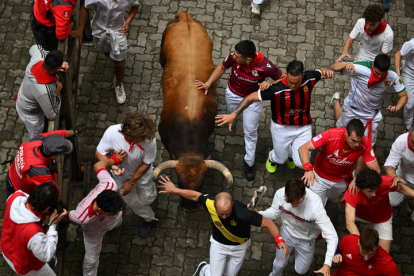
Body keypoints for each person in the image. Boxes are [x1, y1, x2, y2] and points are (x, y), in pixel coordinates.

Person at [216, 60, 333, 173]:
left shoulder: (309, 77)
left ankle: (291, 153)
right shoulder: (276, 89)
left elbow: (320, 71)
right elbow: (250, 97)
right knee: (281, 159)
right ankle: (272, 156)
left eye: (296, 82)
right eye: (290, 81)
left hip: (303, 127)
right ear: (286, 74)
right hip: (281, 128)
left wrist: (326, 71)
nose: (293, 85)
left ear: (302, 75)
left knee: (301, 163)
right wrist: (234, 114)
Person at [157, 176, 287, 276]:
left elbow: (269, 223)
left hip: (239, 247)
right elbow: (195, 195)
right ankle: (204, 270)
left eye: (227, 213)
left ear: (232, 204)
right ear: (214, 206)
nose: (224, 216)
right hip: (219, 245)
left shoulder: (243, 213)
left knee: (230, 275)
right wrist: (175, 190)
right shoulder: (209, 202)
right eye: (221, 214)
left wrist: (279, 239)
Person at [195, 40, 283, 181]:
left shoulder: (266, 67)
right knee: (231, 112)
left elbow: (283, 78)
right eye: (234, 54)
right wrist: (207, 83)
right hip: (232, 93)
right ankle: (233, 119)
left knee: (250, 132)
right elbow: (222, 68)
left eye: (237, 56)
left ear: (248, 59)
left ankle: (249, 163)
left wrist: (270, 84)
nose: (233, 57)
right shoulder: (232, 56)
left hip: (253, 100)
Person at [258, 179, 338, 276]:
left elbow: (332, 236)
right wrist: (257, 214)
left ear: (304, 193)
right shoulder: (280, 193)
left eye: (296, 203)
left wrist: (327, 264)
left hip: (306, 240)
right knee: (279, 264)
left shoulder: (315, 207)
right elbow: (274, 213)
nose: (292, 206)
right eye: (289, 202)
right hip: (286, 234)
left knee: (301, 270)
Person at [96, 113, 157, 238]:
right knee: (134, 203)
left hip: (143, 174)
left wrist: (132, 182)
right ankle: (149, 219)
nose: (146, 139)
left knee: (148, 198)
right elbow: (99, 153)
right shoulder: (112, 132)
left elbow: (146, 163)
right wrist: (113, 166)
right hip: (121, 178)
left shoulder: (149, 139)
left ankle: (153, 172)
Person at [68, 151, 126, 276]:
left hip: (111, 223)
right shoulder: (82, 217)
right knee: (92, 259)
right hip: (95, 232)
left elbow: (98, 166)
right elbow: (67, 215)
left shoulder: (110, 185)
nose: (117, 212)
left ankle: (116, 225)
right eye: (113, 212)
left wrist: (114, 160)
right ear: (101, 211)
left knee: (118, 220)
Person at [70, 0, 140, 104]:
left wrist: (128, 22)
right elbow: (85, 7)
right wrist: (80, 29)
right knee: (106, 52)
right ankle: (109, 53)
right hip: (99, 29)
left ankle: (118, 84)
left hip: (118, 31)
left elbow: (135, 6)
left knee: (119, 62)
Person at [298, 119, 380, 206]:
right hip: (319, 178)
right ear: (346, 134)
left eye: (359, 141)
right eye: (354, 141)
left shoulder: (365, 143)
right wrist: (308, 169)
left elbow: (376, 170)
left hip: (342, 180)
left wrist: (357, 179)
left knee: (333, 196)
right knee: (316, 206)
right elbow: (303, 148)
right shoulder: (330, 135)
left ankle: (325, 197)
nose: (357, 145)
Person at [330, 54, 407, 146]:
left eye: (382, 75)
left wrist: (397, 107)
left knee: (366, 145)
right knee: (341, 131)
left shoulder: (392, 76)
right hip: (352, 109)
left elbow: (404, 96)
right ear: (373, 65)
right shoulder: (360, 68)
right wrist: (345, 65)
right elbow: (334, 67)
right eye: (377, 73)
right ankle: (336, 101)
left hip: (370, 115)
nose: (379, 77)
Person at [1, 183, 67, 276]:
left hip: (7, 249)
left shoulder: (15, 196)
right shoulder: (33, 232)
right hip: (27, 267)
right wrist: (53, 224)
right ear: (47, 208)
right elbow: (47, 255)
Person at [342, 167, 414, 252]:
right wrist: (362, 243)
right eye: (369, 191)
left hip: (382, 218)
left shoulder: (384, 182)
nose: (374, 194)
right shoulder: (352, 193)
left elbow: (400, 188)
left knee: (384, 254)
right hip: (361, 217)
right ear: (361, 188)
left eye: (376, 190)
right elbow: (350, 222)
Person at [6, 126, 85, 197]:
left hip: (13, 172)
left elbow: (55, 134)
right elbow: (54, 191)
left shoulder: (36, 141)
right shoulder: (40, 171)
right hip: (16, 190)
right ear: (54, 156)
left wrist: (73, 132)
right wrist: (55, 173)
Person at [16, 45, 69, 139]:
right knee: (36, 135)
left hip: (26, 95)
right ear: (57, 69)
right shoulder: (44, 91)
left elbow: (34, 47)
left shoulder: (37, 59)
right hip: (31, 113)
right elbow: (52, 115)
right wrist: (56, 94)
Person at [332, 229, 400, 275]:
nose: (366, 258)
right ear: (358, 243)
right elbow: (338, 247)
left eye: (371, 254)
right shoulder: (348, 240)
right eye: (363, 252)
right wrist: (337, 254)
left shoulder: (386, 263)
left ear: (376, 247)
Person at [384, 127, 414, 220]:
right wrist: (394, 177)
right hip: (403, 174)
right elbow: (389, 165)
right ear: (408, 137)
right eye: (413, 142)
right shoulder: (401, 141)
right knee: (393, 202)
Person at [395, 38, 414, 131]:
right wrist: (399, 75)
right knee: (409, 105)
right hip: (409, 74)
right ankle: (408, 126)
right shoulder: (412, 44)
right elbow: (398, 55)